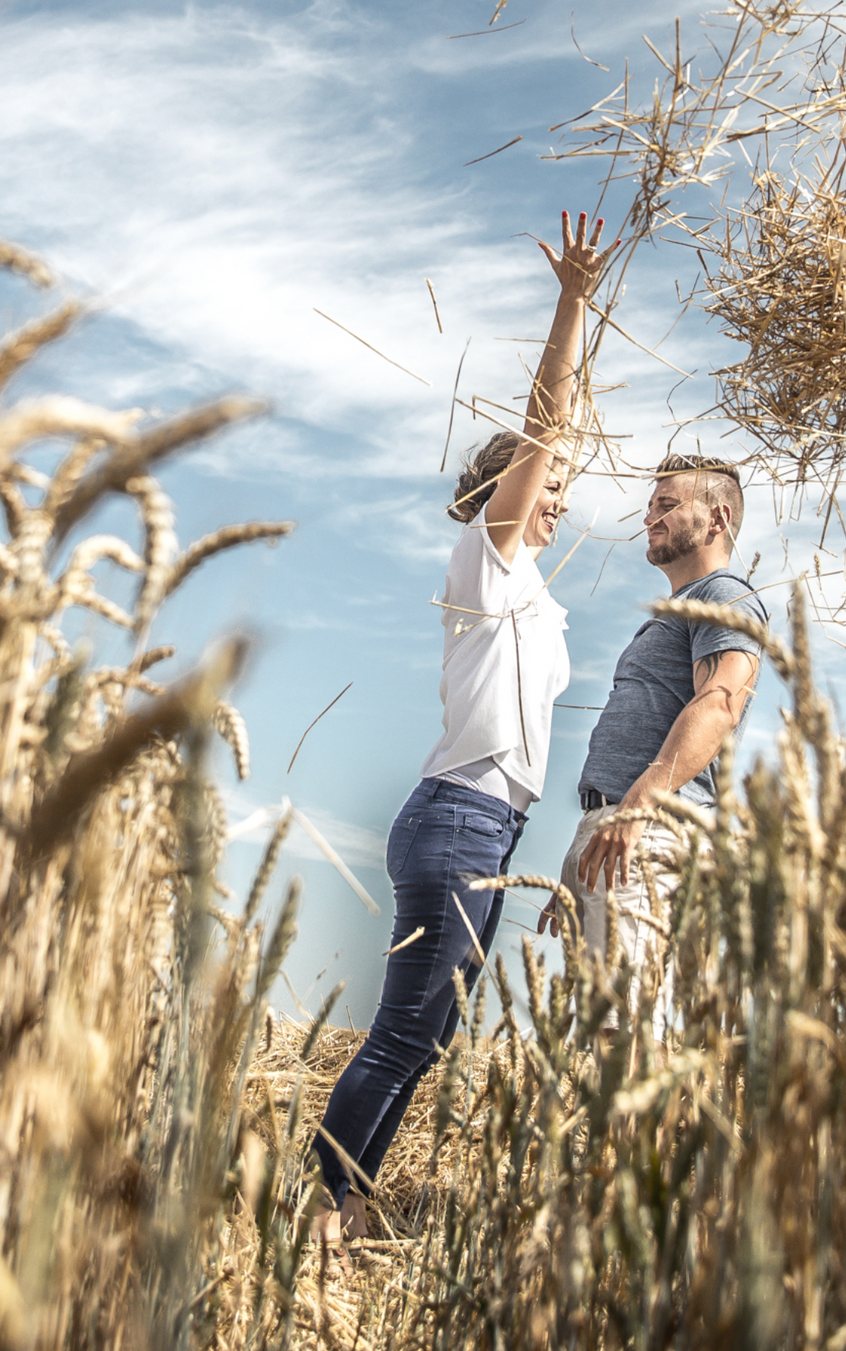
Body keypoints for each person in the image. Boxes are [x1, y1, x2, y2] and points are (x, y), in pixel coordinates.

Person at [313, 211, 619, 1251]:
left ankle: (351, 1200)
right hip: (457, 819)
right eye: (548, 493)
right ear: (503, 491)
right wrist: (573, 304)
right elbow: (546, 428)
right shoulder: (485, 561)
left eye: (564, 498)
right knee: (406, 1027)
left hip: (489, 832)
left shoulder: (530, 587)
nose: (555, 508)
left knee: (432, 1036)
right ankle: (321, 1209)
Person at [539, 455, 766, 996]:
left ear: (719, 518)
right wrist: (583, 850)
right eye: (650, 507)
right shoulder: (680, 609)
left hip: (648, 828)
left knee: (623, 1030)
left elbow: (719, 704)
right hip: (618, 831)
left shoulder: (724, 597)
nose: (649, 519)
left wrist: (637, 809)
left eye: (667, 506)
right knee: (599, 1028)